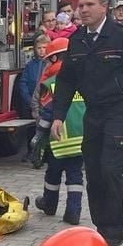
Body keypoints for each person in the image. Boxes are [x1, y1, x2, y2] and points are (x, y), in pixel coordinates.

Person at [51, 0, 123, 246]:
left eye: (89, 5)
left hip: (120, 110)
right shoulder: (77, 40)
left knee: (110, 168)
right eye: (80, 5)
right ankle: (101, 228)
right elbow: (65, 81)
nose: (83, 10)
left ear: (104, 7)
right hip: (93, 112)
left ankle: (113, 231)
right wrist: (58, 116)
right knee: (94, 171)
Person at [33, 37, 85, 224]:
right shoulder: (82, 79)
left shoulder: (53, 82)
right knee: (75, 174)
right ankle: (73, 211)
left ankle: (49, 204)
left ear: (55, 59)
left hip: (58, 139)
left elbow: (48, 113)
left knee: (53, 172)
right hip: (80, 139)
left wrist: (38, 136)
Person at [16, 35, 49, 122]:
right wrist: (29, 100)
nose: (41, 50)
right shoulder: (30, 65)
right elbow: (23, 83)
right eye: (39, 48)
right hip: (30, 104)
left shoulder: (51, 65)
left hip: (46, 104)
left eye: (44, 47)